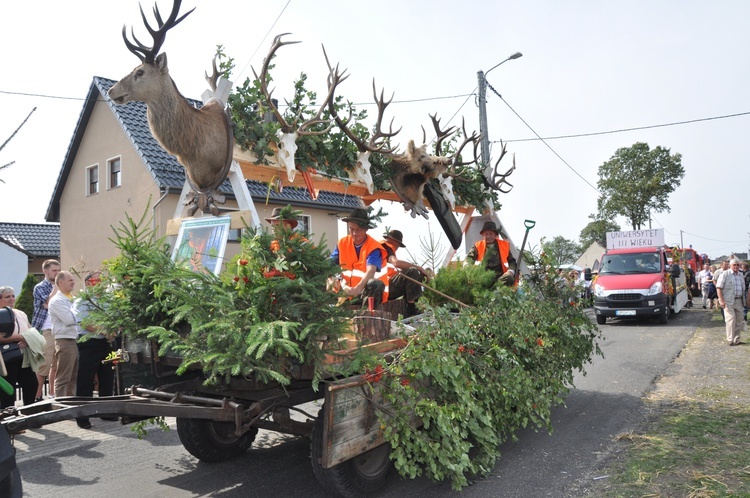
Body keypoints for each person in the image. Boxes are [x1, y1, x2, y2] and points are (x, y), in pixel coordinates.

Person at [74, 272, 116, 429]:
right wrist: (104, 331)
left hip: (107, 343)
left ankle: (106, 412)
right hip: (89, 343)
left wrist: (114, 331)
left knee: (107, 378)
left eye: (102, 280)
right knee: (85, 380)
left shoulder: (107, 300)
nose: (101, 283)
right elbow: (84, 322)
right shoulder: (81, 301)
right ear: (89, 283)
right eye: (97, 280)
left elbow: (115, 317)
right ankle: (83, 417)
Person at [330, 208, 389, 306]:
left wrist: (358, 288)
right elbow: (329, 265)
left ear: (366, 229)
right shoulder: (342, 243)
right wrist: (330, 279)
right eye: (351, 229)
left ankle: (368, 314)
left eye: (358, 230)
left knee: (375, 284)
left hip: (365, 293)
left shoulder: (373, 247)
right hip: (344, 293)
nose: (354, 233)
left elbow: (371, 271)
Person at [0, 287, 39, 408]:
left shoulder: (20, 313)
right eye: (7, 297)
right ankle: (7, 419)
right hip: (6, 358)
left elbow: (30, 331)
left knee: (32, 384)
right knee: (8, 391)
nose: (11, 299)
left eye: (13, 296)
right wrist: (20, 337)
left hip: (23, 355)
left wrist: (27, 340)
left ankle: (30, 414)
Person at [380, 229, 431, 317]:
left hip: (381, 287)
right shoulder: (386, 248)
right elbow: (396, 263)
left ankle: (410, 305)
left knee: (412, 274)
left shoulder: (381, 248)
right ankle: (411, 309)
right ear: (396, 242)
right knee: (412, 272)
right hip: (384, 288)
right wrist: (419, 268)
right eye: (398, 245)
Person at [32, 259, 60, 400]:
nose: (57, 273)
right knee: (44, 364)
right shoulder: (40, 287)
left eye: (58, 270)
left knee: (56, 364)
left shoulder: (60, 286)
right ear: (45, 271)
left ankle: (52, 393)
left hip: (59, 329)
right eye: (54, 270)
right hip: (46, 329)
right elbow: (49, 303)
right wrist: (56, 286)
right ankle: (36, 396)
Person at [48, 271, 79, 398]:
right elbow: (70, 320)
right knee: (64, 377)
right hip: (65, 340)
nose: (73, 282)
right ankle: (61, 404)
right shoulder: (57, 301)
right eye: (70, 280)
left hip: (74, 339)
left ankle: (71, 403)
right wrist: (82, 315)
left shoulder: (73, 298)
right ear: (60, 282)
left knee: (73, 376)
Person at [466, 221, 517, 286]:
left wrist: (510, 271)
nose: (488, 236)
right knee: (471, 280)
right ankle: (489, 292)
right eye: (486, 234)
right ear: (483, 235)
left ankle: (494, 291)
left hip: (499, 276)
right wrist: (467, 266)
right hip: (483, 276)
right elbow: (470, 257)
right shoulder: (478, 245)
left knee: (509, 278)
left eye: (490, 234)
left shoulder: (503, 245)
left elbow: (512, 261)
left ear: (495, 235)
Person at [715, 259, 746, 346]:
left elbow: (743, 288)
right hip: (728, 301)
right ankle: (730, 339)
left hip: (739, 300)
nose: (736, 266)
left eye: (737, 265)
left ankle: (737, 339)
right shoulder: (725, 274)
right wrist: (721, 300)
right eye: (734, 265)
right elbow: (719, 287)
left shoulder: (740, 275)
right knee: (731, 319)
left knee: (739, 320)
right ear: (730, 266)